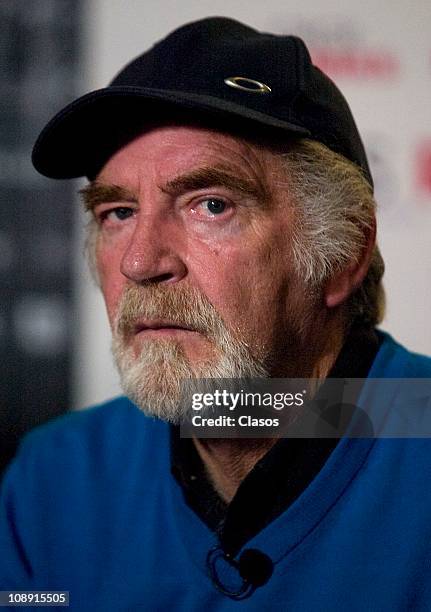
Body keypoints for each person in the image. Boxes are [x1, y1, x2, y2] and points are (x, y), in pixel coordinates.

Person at [1, 16, 431, 611]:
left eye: (210, 205)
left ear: (343, 255)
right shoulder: (54, 480)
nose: (140, 262)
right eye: (117, 213)